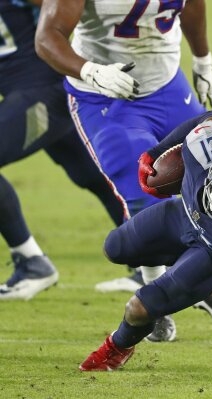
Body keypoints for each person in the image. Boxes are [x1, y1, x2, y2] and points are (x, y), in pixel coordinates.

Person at [35, 0, 212, 338]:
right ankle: (152, 297)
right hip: (105, 97)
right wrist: (90, 70)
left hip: (168, 86)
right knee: (146, 191)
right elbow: (47, 36)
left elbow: (192, 3)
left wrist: (202, 59)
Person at [79, 111, 212, 386]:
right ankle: (194, 278)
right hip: (183, 217)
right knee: (115, 248)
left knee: (139, 308)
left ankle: (117, 347)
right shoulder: (209, 143)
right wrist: (152, 154)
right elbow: (209, 117)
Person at [0, 0, 125, 300]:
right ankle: (156, 263)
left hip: (46, 92)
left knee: (104, 176)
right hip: (32, 93)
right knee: (96, 175)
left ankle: (32, 262)